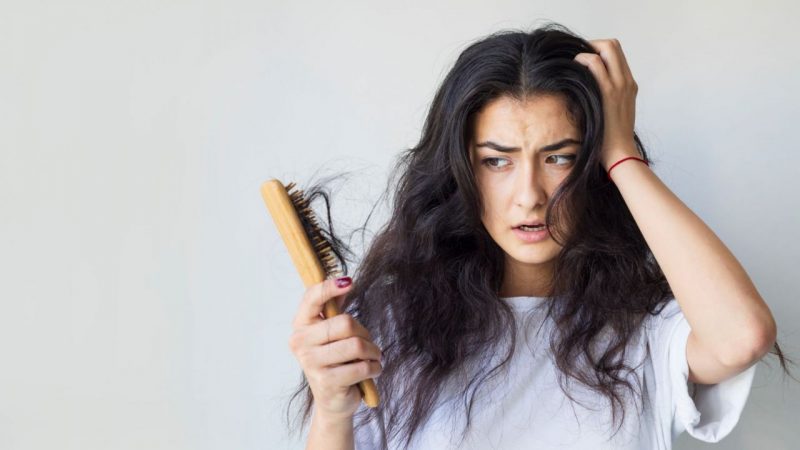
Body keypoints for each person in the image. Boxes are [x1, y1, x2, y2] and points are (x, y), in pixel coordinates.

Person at [285, 22, 793, 450]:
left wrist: (620, 152)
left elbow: (743, 335)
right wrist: (331, 411)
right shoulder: (389, 326)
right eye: (496, 160)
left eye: (559, 157)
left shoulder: (646, 329)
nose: (530, 195)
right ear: (461, 169)